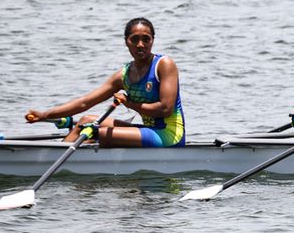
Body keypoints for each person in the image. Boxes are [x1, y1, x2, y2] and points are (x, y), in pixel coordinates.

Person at [25, 18, 186, 147]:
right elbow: (84, 102)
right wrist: (45, 115)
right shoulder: (124, 75)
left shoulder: (164, 64)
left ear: (153, 40)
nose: (140, 45)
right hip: (149, 130)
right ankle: (57, 157)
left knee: (93, 131)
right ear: (126, 41)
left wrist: (130, 104)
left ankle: (65, 162)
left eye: (146, 39)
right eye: (134, 39)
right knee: (86, 121)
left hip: (169, 134)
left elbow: (165, 109)